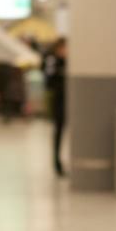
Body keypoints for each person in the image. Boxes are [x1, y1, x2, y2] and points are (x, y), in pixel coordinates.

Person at [43, 37, 68, 176]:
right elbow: (49, 81)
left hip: (67, 101)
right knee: (58, 131)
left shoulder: (68, 61)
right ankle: (57, 162)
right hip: (58, 101)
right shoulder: (52, 61)